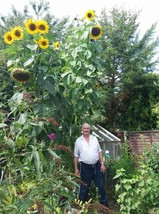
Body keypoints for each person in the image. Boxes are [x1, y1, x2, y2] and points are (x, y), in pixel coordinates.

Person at [74, 122, 109, 207]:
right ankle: (81, 207)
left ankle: (105, 207)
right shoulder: (78, 141)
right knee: (84, 188)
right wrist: (76, 169)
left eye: (87, 128)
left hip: (96, 166)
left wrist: (102, 164)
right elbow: (76, 156)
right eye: (84, 128)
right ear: (82, 130)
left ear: (89, 130)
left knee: (101, 187)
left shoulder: (94, 139)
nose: (86, 130)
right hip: (85, 167)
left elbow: (99, 151)